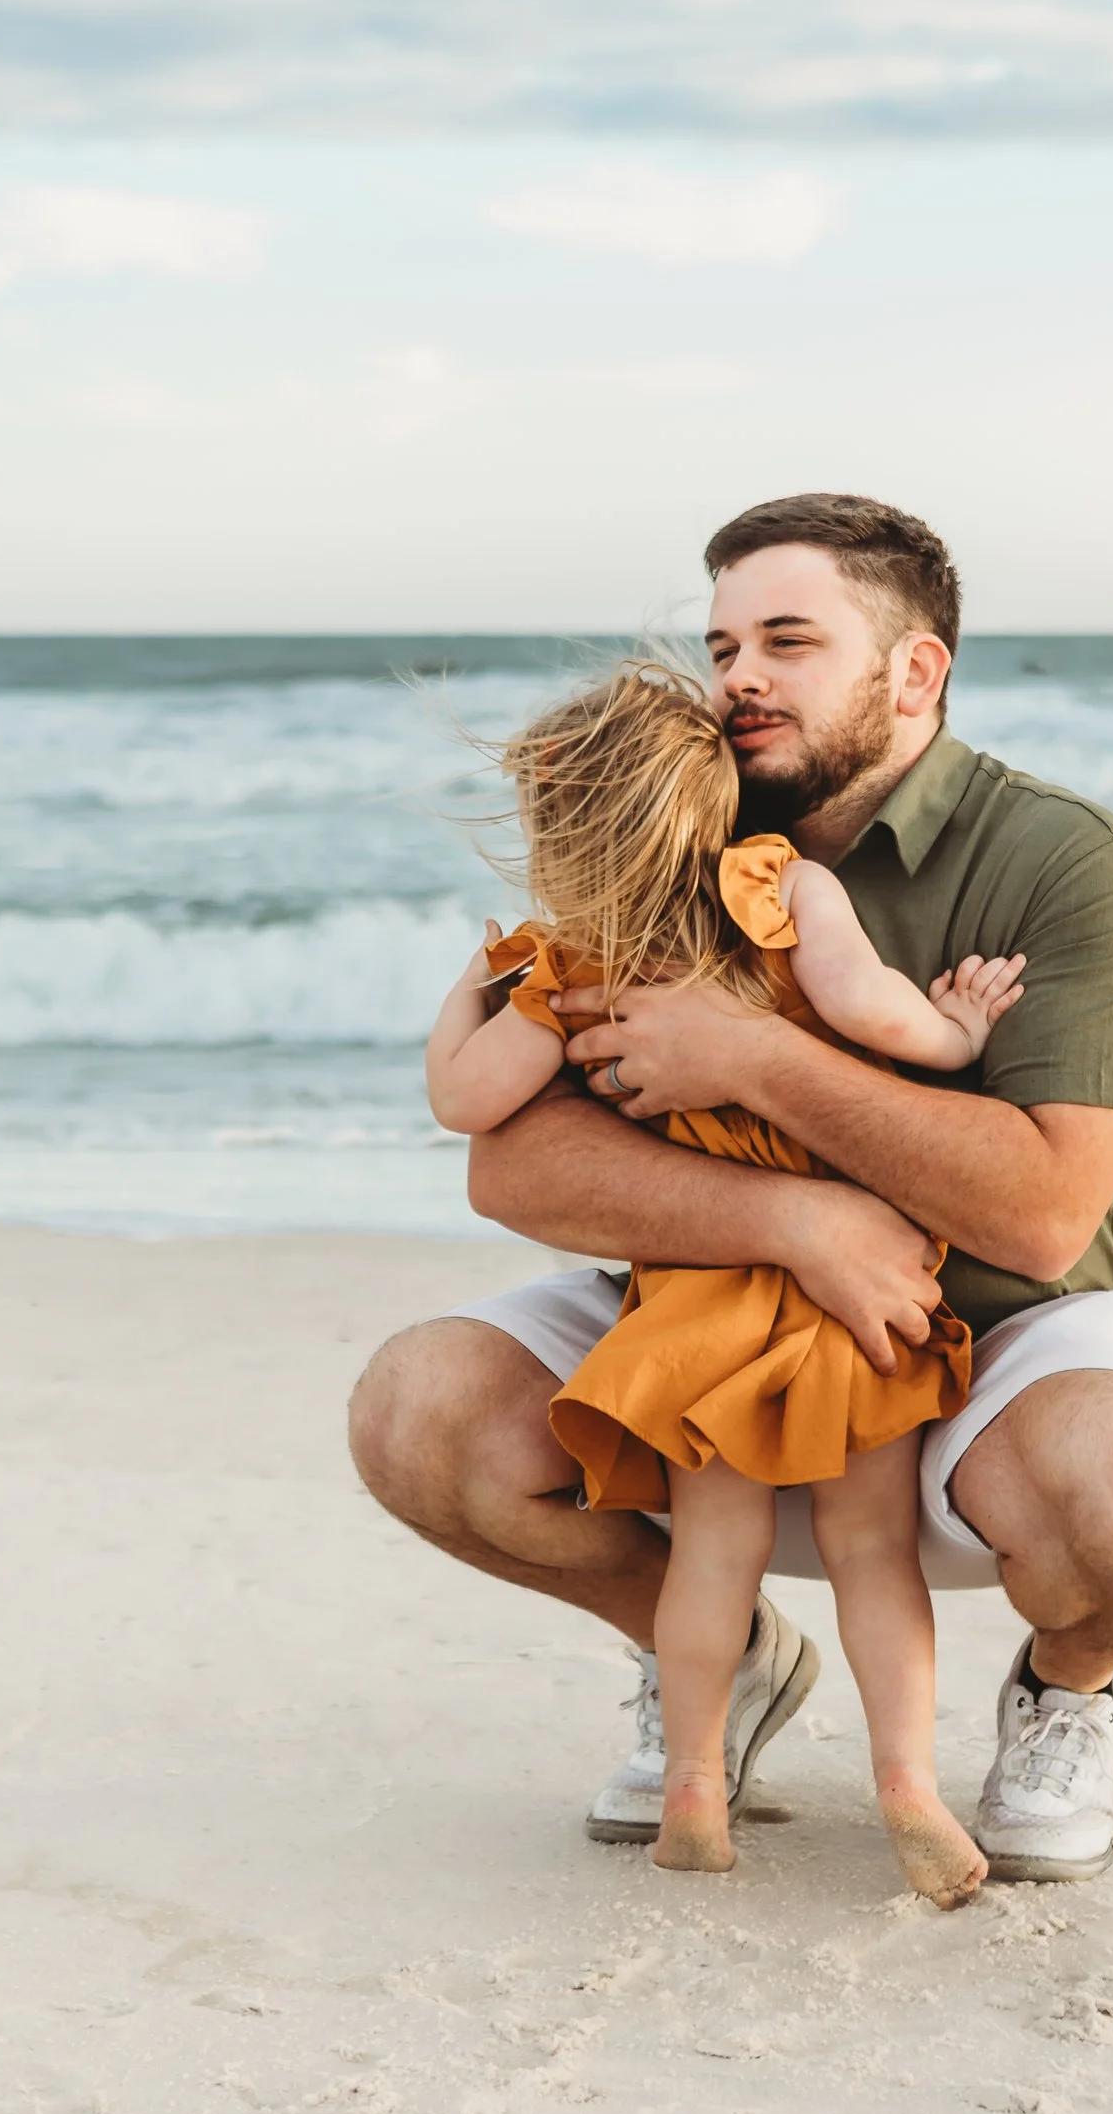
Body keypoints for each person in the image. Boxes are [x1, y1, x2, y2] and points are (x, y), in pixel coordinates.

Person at [350, 492, 1113, 1881]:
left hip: (996, 1332)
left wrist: (751, 1057)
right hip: (707, 1311)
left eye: (788, 640)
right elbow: (511, 1157)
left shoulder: (1061, 859)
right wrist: (797, 1217)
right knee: (418, 1413)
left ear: (913, 670)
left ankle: (1064, 1689)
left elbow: (1046, 1210)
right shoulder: (659, 825)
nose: (738, 675)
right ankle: (726, 1663)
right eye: (722, 642)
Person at [424, 658, 1027, 1901]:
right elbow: (878, 1019)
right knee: (871, 1550)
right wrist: (961, 1031)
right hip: (850, 1291)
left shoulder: (569, 962)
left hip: (703, 1298)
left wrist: (466, 991)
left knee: (713, 1555)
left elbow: (461, 1100)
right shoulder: (784, 888)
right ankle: (907, 1782)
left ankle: (694, 1781)